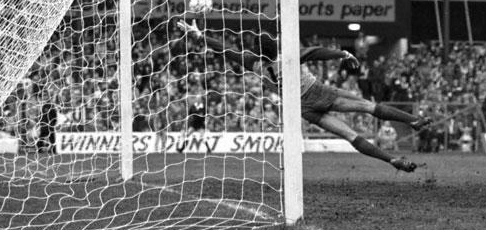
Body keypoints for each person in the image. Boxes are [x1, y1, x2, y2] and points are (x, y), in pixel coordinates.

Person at [177, 20, 429, 172]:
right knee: (368, 106)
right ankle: (413, 120)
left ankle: (392, 159)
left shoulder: (253, 63)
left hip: (301, 107)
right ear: (275, 46)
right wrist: (342, 54)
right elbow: (316, 52)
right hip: (317, 92)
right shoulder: (287, 56)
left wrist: (199, 36)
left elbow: (226, 49)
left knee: (351, 136)